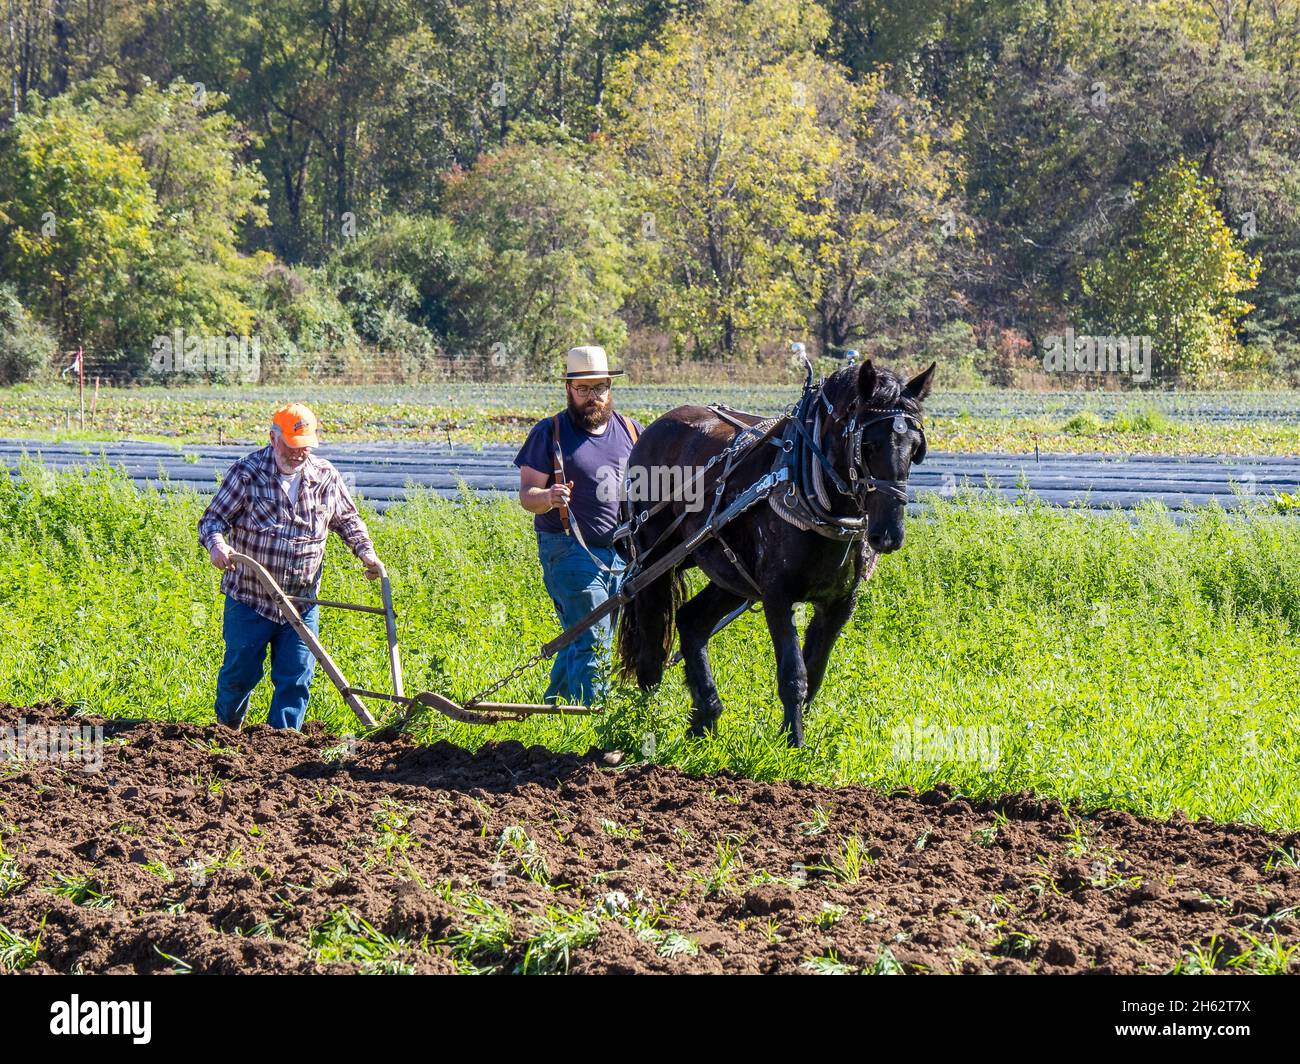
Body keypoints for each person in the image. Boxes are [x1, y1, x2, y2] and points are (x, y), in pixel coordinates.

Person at [198, 403, 382, 729]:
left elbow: (348, 520)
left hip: (301, 602)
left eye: (305, 447)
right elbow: (213, 520)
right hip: (251, 599)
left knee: (295, 677)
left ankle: (282, 746)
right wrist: (217, 545)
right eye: (292, 446)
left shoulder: (324, 477)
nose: (299, 454)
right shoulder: (246, 473)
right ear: (273, 438)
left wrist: (366, 553)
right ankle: (226, 732)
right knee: (240, 674)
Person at [515, 346, 642, 706]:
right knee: (593, 636)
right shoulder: (550, 433)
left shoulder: (631, 431)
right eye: (583, 389)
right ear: (569, 389)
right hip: (568, 549)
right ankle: (595, 723)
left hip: (618, 554)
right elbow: (527, 495)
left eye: (599, 388)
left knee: (579, 636)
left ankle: (553, 711)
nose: (593, 397)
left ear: (609, 387)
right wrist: (550, 496)